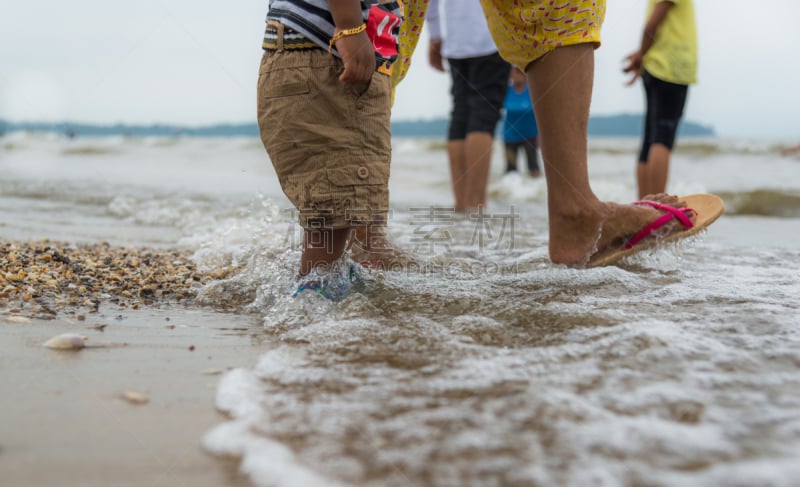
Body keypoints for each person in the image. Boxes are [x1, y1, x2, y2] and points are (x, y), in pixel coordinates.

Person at [478, 0, 699, 266]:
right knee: (561, 6)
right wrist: (642, 51)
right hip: (673, 62)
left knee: (410, 15)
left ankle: (589, 206)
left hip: (656, 62)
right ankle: (575, 211)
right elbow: (656, 19)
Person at [258, 0, 405, 296]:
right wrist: (349, 27)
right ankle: (312, 308)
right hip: (329, 58)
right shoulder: (346, 31)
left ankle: (321, 295)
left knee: (336, 212)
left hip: (319, 56)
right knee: (332, 215)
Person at [427, 0, 511, 211]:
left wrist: (435, 35)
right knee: (484, 116)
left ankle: (462, 203)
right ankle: (476, 204)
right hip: (491, 36)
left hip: (456, 39)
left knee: (461, 113)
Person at [623, 0, 698, 199]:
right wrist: (641, 54)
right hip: (671, 67)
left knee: (649, 140)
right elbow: (652, 24)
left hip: (655, 64)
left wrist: (642, 55)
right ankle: (656, 208)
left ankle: (643, 208)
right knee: (662, 139)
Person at [502, 66, 541, 177]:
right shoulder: (506, 90)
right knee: (510, 170)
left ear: (524, 75)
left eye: (518, 73)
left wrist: (540, 136)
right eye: (512, 74)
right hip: (510, 136)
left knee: (533, 168)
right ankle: (512, 191)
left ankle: (535, 190)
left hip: (530, 136)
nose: (514, 76)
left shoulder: (532, 90)